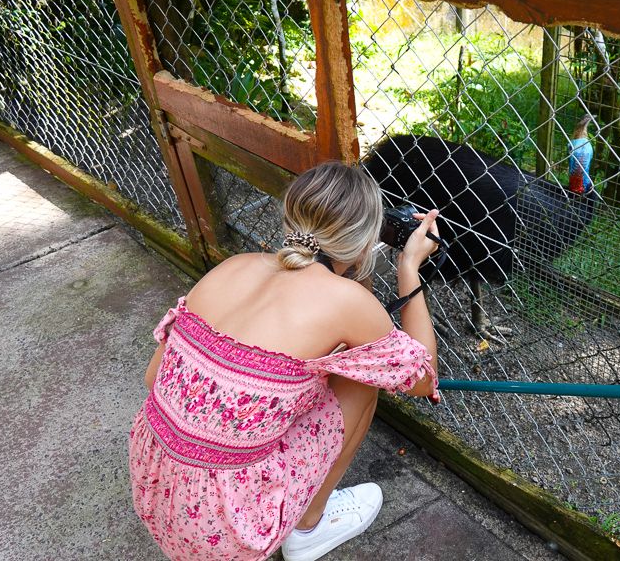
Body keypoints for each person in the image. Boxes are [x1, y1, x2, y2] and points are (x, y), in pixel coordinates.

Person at [128, 161, 441, 561]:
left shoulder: (232, 266)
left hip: (157, 493)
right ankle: (308, 529)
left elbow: (152, 375)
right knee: (364, 375)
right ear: (365, 244)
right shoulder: (347, 303)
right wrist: (409, 268)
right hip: (229, 532)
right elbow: (421, 379)